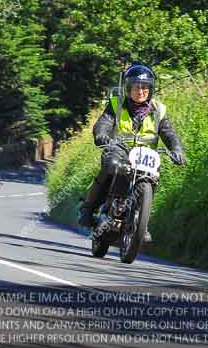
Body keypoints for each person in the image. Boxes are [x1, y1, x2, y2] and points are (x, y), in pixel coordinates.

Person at [78, 63, 186, 243]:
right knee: (111, 166)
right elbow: (103, 124)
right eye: (136, 87)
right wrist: (102, 136)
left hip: (145, 155)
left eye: (145, 87)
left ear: (151, 89)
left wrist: (177, 150)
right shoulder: (116, 104)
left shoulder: (159, 110)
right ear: (128, 88)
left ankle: (141, 222)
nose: (141, 91)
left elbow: (169, 133)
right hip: (119, 150)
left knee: (153, 177)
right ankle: (88, 209)